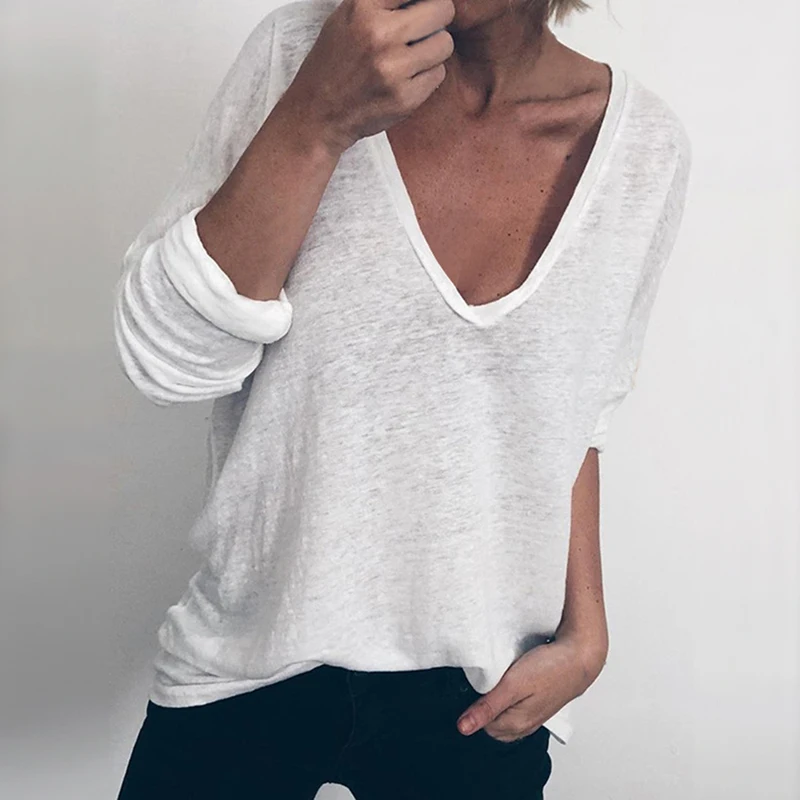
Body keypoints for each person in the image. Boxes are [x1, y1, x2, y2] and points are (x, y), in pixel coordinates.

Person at [113, 0, 691, 796]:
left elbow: (582, 410)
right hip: (253, 653)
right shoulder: (298, 57)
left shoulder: (645, 148)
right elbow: (166, 363)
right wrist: (315, 120)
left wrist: (586, 634)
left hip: (483, 681)